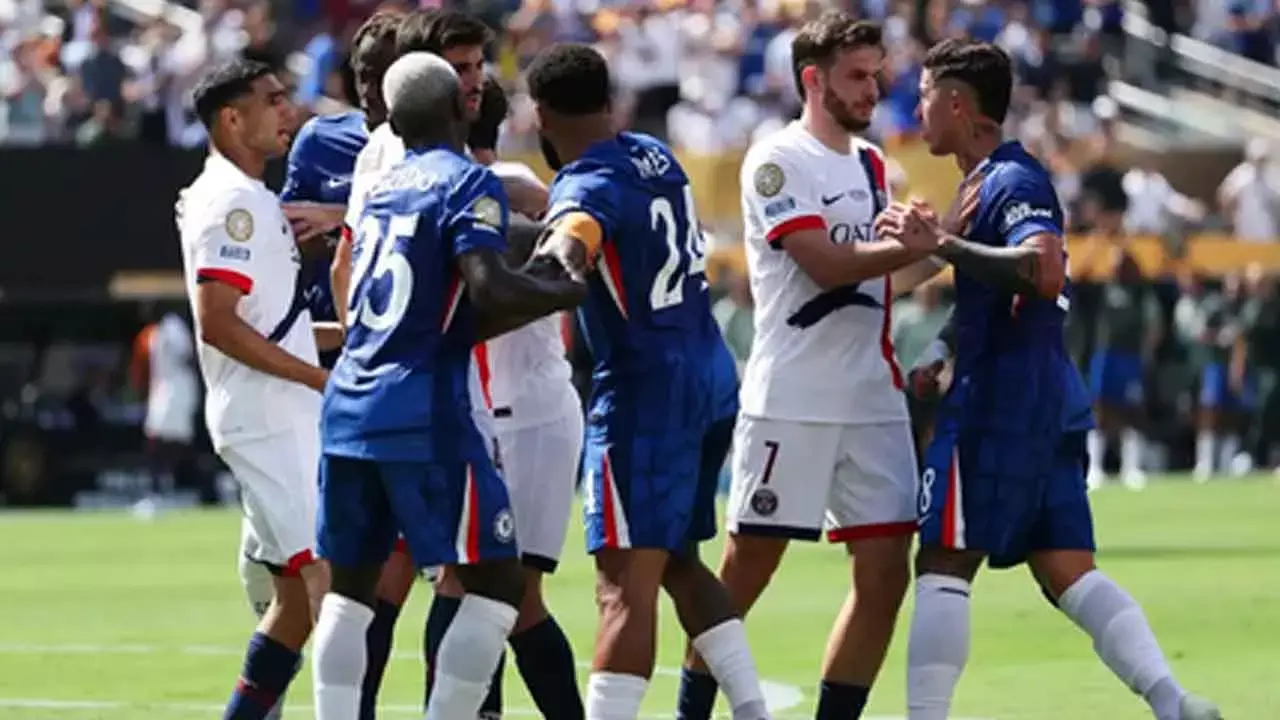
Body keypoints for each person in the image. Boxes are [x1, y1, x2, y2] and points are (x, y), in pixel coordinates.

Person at [874, 37, 1221, 720]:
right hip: (1043, 393)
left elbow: (1043, 270)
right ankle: (1175, 701)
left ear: (955, 103)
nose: (916, 107)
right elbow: (991, 288)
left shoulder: (1012, 179)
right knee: (1065, 568)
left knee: (944, 560)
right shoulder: (982, 183)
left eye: (924, 94)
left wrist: (940, 244)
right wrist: (944, 344)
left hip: (1000, 403)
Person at [308, 51, 586, 720]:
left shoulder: (378, 186)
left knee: (349, 592)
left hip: (348, 404)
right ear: (464, 107)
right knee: (496, 586)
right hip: (423, 408)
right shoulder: (467, 181)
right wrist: (561, 288)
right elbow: (488, 288)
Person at [678, 14, 936, 720]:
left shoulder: (874, 164)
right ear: (813, 79)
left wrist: (943, 250)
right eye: (857, 76)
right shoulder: (777, 160)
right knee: (744, 576)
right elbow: (824, 266)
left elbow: (885, 281)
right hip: (792, 397)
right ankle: (689, 713)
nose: (873, 89)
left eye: (877, 74)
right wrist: (916, 245)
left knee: (885, 576)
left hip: (874, 398)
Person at [525, 42, 769, 720]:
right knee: (682, 563)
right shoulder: (654, 156)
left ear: (540, 114)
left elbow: (576, 235)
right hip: (708, 372)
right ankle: (753, 709)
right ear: (611, 101)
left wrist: (552, 259)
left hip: (643, 391)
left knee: (622, 587)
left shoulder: (582, 184)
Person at [176, 58, 336, 720]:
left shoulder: (253, 196)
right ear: (231, 119)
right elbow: (217, 324)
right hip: (270, 418)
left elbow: (273, 324)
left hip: (277, 410)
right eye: (271, 100)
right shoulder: (233, 204)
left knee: (294, 606)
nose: (287, 110)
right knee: (331, 588)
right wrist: (316, 378)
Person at [274, 11, 409, 720]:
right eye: (359, 72)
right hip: (335, 369)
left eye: (378, 72)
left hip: (408, 372)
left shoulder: (432, 140)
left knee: (465, 576)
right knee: (326, 575)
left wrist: (347, 218)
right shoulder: (323, 140)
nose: (366, 86)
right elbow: (295, 239)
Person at [1085, 247, 1161, 491]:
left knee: (1131, 412)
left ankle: (1131, 468)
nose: (1115, 268)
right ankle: (1094, 468)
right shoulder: (1101, 289)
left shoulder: (1141, 293)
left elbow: (1153, 325)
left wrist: (1146, 353)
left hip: (1130, 357)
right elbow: (1079, 274)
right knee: (1100, 411)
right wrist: (1097, 244)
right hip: (1105, 356)